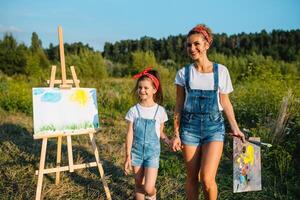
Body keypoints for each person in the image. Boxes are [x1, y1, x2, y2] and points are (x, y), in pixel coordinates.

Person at [171, 24, 245, 200]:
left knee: (206, 178)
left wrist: (235, 127)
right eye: (189, 45)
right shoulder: (183, 73)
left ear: (206, 45)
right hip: (189, 128)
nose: (192, 48)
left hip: (214, 128)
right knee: (191, 178)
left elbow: (225, 103)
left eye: (196, 44)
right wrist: (176, 133)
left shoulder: (221, 71)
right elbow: (179, 105)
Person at [124, 67, 171, 200]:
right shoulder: (133, 111)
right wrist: (128, 156)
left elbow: (160, 131)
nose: (142, 90)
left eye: (146, 88)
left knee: (148, 187)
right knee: (139, 184)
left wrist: (167, 141)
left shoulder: (160, 111)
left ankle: (152, 195)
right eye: (140, 87)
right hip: (137, 152)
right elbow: (129, 135)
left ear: (154, 90)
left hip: (152, 154)